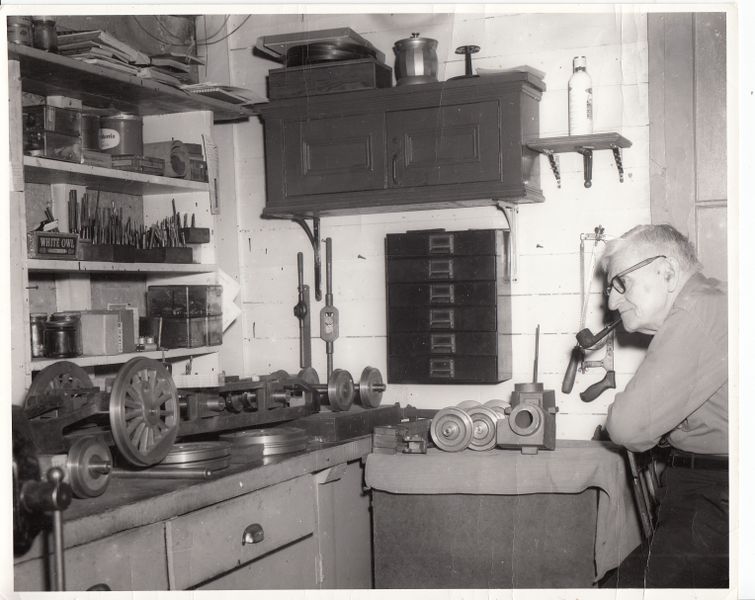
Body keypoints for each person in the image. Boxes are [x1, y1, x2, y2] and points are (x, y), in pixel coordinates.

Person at [599, 223, 728, 588]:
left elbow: (627, 427)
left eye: (621, 283)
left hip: (718, 495)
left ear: (667, 272)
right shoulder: (712, 301)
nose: (612, 303)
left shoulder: (696, 312)